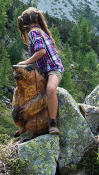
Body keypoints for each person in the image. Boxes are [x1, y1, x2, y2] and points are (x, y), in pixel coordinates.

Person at [16, 7, 65, 135]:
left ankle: (52, 123)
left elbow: (41, 51)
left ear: (24, 24)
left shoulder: (34, 33)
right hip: (45, 70)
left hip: (54, 68)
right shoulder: (40, 31)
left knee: (50, 90)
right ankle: (25, 126)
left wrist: (26, 62)